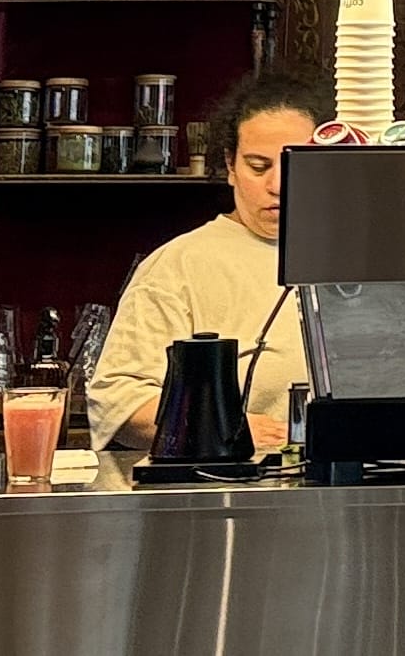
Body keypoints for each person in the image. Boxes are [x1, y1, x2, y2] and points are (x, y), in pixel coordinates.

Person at [86, 69, 329, 455]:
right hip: (225, 493)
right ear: (231, 166)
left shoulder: (355, 260)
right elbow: (119, 398)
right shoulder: (178, 265)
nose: (278, 185)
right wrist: (217, 427)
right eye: (258, 166)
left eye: (294, 163)